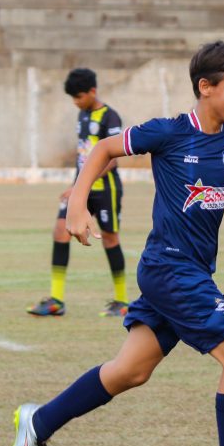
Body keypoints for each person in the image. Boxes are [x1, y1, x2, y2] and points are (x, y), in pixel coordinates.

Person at [9, 41, 224, 446]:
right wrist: (78, 204)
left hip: (186, 271)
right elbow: (105, 149)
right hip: (171, 268)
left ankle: (38, 422)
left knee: (131, 371)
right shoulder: (168, 132)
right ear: (205, 88)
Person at [26, 68, 129, 318]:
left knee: (110, 239)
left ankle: (123, 301)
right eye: (72, 98)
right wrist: (77, 186)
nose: (76, 102)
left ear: (92, 91)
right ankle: (56, 301)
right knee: (61, 231)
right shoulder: (82, 115)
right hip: (81, 189)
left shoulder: (110, 117)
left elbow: (112, 160)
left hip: (105, 189)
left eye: (79, 97)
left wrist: (79, 184)